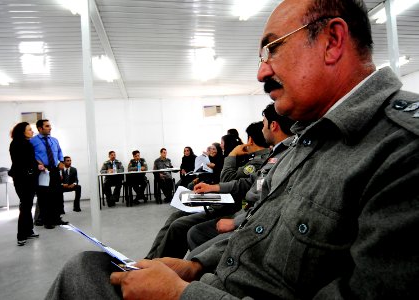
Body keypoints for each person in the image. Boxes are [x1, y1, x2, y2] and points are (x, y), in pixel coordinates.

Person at [46, 0, 419, 299]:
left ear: (332, 41)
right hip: (216, 281)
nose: (261, 73)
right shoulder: (310, 138)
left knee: (83, 274)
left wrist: (180, 295)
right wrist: (195, 267)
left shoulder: (402, 150)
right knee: (96, 267)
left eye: (272, 48)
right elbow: (258, 223)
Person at [145, 119, 272, 260]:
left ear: (250, 139)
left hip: (232, 208)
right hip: (227, 203)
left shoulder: (256, 161)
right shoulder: (252, 158)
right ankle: (150, 260)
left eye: (220, 146)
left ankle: (159, 264)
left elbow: (229, 181)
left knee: (180, 225)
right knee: (175, 217)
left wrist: (231, 156)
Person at [187, 104, 294, 254]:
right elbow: (250, 181)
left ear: (273, 126)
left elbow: (271, 202)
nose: (263, 129)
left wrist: (237, 221)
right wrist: (212, 187)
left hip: (251, 220)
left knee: (194, 250)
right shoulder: (275, 154)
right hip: (245, 213)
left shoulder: (286, 156)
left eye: (264, 124)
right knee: (194, 232)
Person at [8, 122, 45, 246]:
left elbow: (28, 161)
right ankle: (21, 235)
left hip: (23, 178)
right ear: (22, 131)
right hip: (24, 180)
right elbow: (24, 163)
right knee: (25, 207)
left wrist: (36, 165)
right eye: (29, 129)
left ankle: (28, 231)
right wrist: (37, 166)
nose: (32, 131)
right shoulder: (21, 144)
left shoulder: (18, 143)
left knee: (27, 205)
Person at [30, 119, 67, 229]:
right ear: (40, 128)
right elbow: (29, 156)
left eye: (50, 126)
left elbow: (60, 151)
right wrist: (36, 163)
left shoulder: (54, 140)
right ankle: (47, 220)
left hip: (54, 170)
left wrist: (61, 161)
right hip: (42, 171)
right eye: (47, 126)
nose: (50, 128)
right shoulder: (33, 141)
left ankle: (56, 218)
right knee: (45, 196)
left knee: (57, 195)